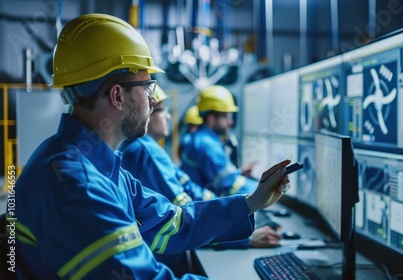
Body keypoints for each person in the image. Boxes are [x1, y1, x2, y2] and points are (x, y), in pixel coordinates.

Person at [13, 13, 290, 280]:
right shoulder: (78, 187)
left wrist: (251, 202)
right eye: (147, 87)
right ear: (117, 96)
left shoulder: (96, 164)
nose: (154, 100)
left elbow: (172, 224)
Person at [120, 87, 281, 249]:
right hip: (172, 250)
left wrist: (240, 209)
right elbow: (180, 217)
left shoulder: (146, 148)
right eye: (161, 110)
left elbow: (189, 188)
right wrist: (240, 229)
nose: (168, 116)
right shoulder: (146, 151)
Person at [180, 85, 259, 196]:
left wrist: (239, 173)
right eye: (227, 116)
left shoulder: (201, 138)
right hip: (205, 207)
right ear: (211, 118)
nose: (230, 122)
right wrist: (265, 188)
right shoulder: (208, 145)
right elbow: (229, 185)